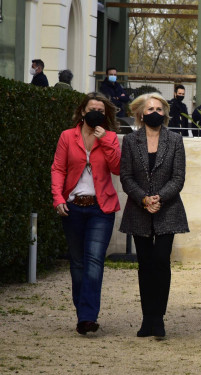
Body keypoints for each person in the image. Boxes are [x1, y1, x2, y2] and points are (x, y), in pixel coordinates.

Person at [119, 93, 189, 338]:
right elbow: (126, 176)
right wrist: (143, 199)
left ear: (165, 113)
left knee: (161, 261)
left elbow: (178, 177)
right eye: (150, 109)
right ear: (141, 114)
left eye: (159, 109)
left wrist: (159, 197)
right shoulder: (129, 141)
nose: (154, 112)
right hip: (139, 210)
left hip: (168, 209)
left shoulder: (175, 140)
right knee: (145, 264)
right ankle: (146, 318)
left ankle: (158, 318)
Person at [50, 92, 121, 335]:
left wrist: (106, 141)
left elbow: (118, 168)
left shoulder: (110, 137)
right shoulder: (67, 136)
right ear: (82, 112)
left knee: (93, 262)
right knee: (78, 262)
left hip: (101, 208)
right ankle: (83, 311)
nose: (96, 113)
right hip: (73, 207)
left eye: (101, 111)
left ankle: (87, 317)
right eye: (92, 109)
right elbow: (58, 168)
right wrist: (58, 198)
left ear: (106, 114)